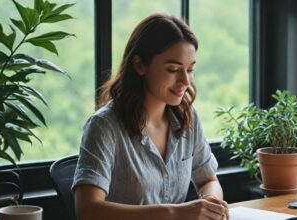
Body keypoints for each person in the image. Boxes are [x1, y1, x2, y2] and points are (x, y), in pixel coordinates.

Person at [72, 13, 229, 220]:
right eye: (173, 69)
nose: (185, 81)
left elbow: (208, 180)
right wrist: (175, 213)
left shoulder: (187, 117)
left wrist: (210, 205)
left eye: (190, 69)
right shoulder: (104, 126)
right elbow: (88, 210)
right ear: (139, 65)